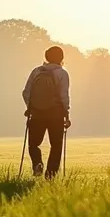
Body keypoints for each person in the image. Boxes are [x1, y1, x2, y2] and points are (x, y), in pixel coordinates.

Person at [22, 45, 71, 179]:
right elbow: (63, 96)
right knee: (56, 145)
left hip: (37, 113)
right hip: (56, 114)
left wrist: (31, 107)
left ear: (46, 57)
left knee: (33, 143)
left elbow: (26, 92)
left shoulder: (36, 71)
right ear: (61, 58)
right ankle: (50, 176)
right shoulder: (62, 73)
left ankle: (37, 164)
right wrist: (66, 113)